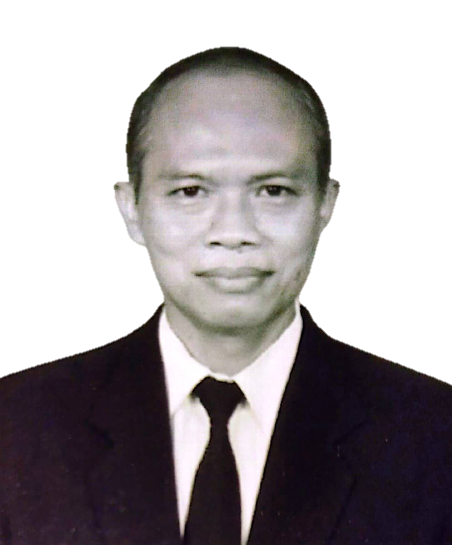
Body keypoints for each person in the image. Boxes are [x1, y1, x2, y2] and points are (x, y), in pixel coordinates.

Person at [0, 47, 451, 545]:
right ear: (132, 210)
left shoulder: (435, 437)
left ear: (325, 204)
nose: (234, 232)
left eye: (273, 191)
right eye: (191, 191)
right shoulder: (16, 427)